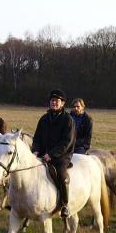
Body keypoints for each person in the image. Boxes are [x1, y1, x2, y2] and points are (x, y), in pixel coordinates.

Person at [31, 89, 76, 218]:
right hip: (43, 154)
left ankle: (65, 204)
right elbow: (37, 138)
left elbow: (66, 142)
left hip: (62, 156)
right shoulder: (44, 119)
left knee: (62, 175)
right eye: (52, 100)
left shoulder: (68, 120)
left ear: (62, 103)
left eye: (56, 101)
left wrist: (51, 154)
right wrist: (35, 150)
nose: (54, 102)